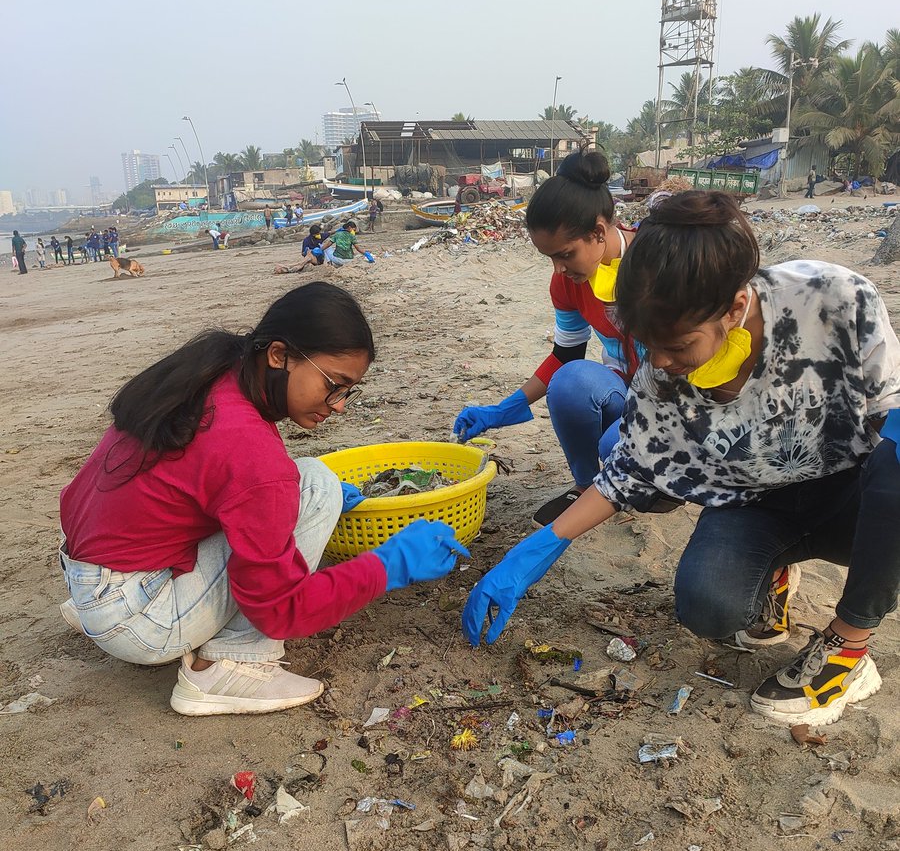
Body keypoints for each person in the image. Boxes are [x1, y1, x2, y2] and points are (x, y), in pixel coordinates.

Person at [463, 190, 900, 729]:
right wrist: (533, 552)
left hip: (852, 492)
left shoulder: (832, 297)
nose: (664, 363)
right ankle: (776, 571)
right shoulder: (658, 373)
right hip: (753, 498)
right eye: (651, 347)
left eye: (679, 345)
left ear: (735, 309)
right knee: (708, 606)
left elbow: (890, 409)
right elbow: (628, 471)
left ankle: (849, 648)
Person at [58, 282, 468, 717]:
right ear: (278, 354)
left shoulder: (214, 370)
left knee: (307, 477)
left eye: (349, 391)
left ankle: (108, 613)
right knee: (313, 486)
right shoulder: (250, 449)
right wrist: (389, 565)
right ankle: (232, 666)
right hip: (136, 616)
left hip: (92, 572)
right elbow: (282, 610)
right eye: (335, 384)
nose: (340, 406)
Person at [453, 149, 639, 526]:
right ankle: (588, 485)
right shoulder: (567, 282)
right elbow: (565, 356)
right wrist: (503, 409)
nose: (558, 268)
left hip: (680, 397)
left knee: (615, 446)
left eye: (566, 254)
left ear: (598, 233)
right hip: (624, 387)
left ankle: (656, 481)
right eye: (549, 258)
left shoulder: (657, 261)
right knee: (569, 383)